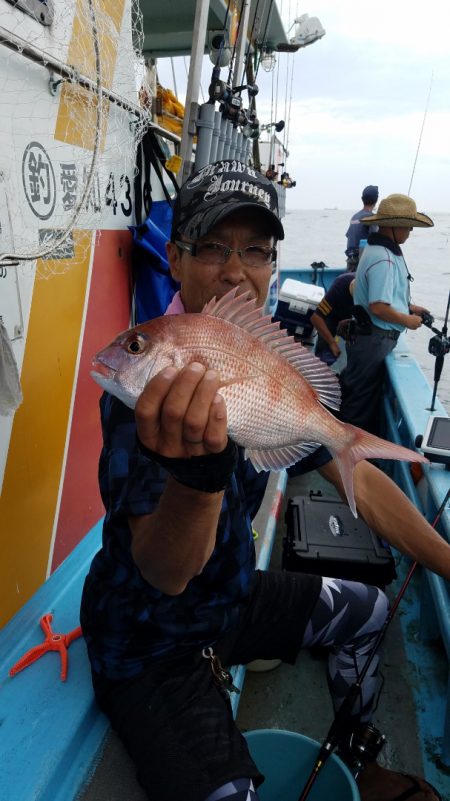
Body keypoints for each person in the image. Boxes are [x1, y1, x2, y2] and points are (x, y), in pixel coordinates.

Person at [80, 162, 445, 801]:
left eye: (255, 250)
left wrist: (447, 561)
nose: (235, 268)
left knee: (371, 610)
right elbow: (166, 573)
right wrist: (199, 477)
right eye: (213, 246)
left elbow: (365, 483)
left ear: (273, 265)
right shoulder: (141, 397)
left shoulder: (262, 370)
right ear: (174, 258)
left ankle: (360, 756)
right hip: (151, 646)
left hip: (231, 599)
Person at [339, 193, 432, 435]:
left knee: (357, 396)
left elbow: (377, 292)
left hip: (366, 337)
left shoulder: (375, 249)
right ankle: (347, 458)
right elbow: (378, 306)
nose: (410, 230)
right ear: (394, 226)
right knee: (359, 407)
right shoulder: (385, 259)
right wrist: (408, 321)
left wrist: (410, 307)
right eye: (408, 225)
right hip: (374, 340)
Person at [310, 271, 355, 366]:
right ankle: (322, 367)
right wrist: (332, 343)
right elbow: (316, 317)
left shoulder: (374, 294)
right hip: (335, 314)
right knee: (324, 351)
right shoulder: (339, 286)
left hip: (355, 318)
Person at [345, 185, 379, 270]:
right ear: (376, 200)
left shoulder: (354, 217)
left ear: (362, 199)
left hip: (350, 261)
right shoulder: (371, 218)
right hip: (361, 263)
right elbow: (376, 240)